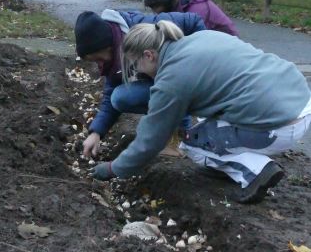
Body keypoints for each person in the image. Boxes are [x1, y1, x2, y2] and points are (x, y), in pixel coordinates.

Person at [92, 21, 311, 204]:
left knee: (191, 142)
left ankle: (255, 171)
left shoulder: (172, 79)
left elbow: (150, 142)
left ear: (149, 55)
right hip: (299, 100)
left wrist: (113, 169)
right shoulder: (201, 37)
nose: (137, 71)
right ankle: (225, 163)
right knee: (207, 119)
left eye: (135, 64)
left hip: (278, 125)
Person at [75, 9, 206, 158]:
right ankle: (171, 133)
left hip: (190, 75)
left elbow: (193, 20)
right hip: (171, 82)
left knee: (172, 85)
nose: (99, 65)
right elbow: (110, 94)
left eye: (98, 59)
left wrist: (197, 57)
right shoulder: (114, 57)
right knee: (119, 97)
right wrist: (96, 132)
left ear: (107, 47)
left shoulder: (144, 31)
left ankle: (186, 139)